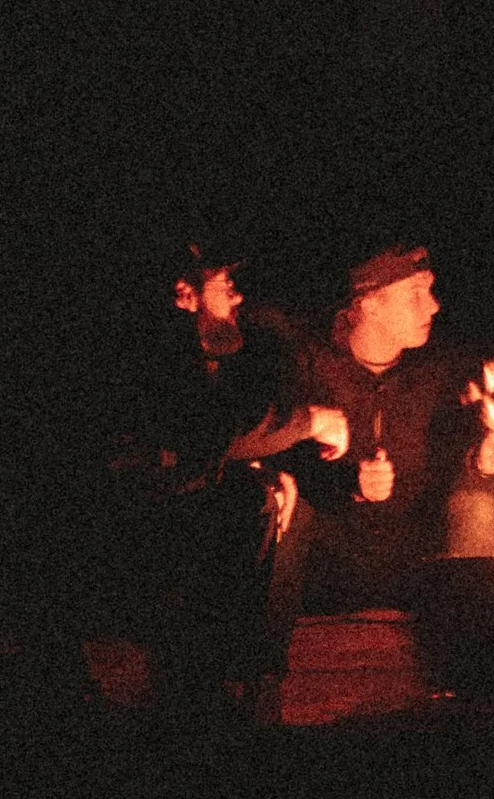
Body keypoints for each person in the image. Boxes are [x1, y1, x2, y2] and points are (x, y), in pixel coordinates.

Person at [107, 240, 350, 717]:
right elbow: (207, 434)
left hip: (170, 502)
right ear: (185, 294)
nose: (237, 299)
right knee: (247, 503)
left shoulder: (200, 354)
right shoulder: (152, 351)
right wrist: (310, 420)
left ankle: (255, 682)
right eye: (225, 286)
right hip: (126, 521)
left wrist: (266, 470)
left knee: (276, 498)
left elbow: (213, 438)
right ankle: (226, 689)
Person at [291, 242, 482, 608]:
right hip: (324, 582)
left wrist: (482, 460)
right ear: (370, 304)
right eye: (415, 294)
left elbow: (455, 462)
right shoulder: (310, 368)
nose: (433, 304)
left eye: (430, 289)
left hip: (417, 579)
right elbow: (282, 461)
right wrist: (350, 483)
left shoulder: (440, 374)